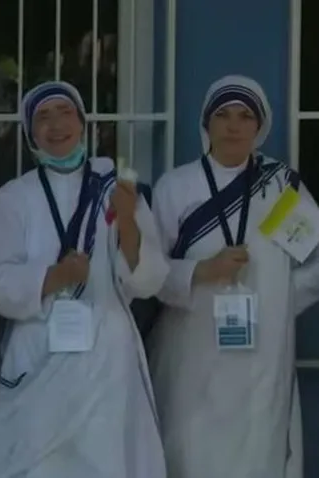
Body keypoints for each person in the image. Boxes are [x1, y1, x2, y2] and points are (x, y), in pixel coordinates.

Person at [0, 81, 168, 478]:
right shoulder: (12, 198)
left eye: (65, 113)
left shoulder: (117, 189)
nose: (56, 125)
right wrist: (55, 277)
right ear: (30, 133)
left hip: (107, 360)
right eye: (43, 117)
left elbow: (149, 280)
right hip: (37, 355)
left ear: (82, 124)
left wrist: (128, 219)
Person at [149, 75, 319, 478]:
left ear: (260, 126)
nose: (233, 126)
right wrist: (201, 272)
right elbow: (149, 273)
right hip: (191, 348)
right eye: (223, 115)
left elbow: (315, 261)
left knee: (258, 448)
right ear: (206, 123)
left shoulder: (278, 187)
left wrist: (278, 302)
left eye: (245, 117)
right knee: (191, 448)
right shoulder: (177, 187)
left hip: (263, 353)